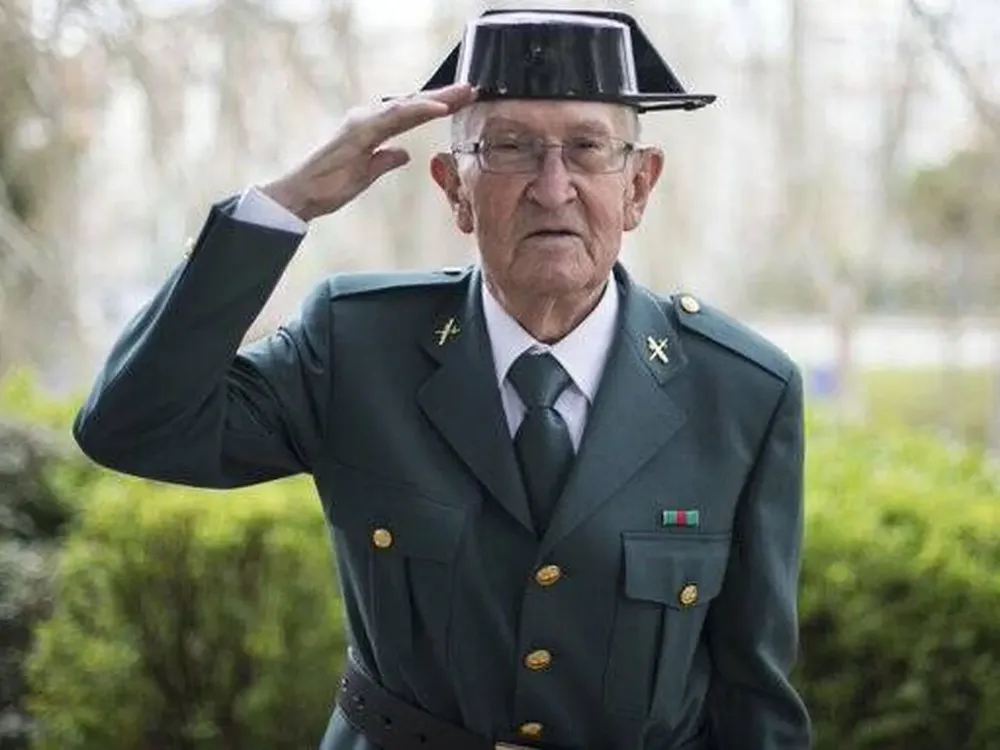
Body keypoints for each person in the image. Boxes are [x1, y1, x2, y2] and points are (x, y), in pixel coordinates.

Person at [74, 9, 811, 750]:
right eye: (510, 148)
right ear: (454, 188)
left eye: (587, 149)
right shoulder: (357, 346)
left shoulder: (741, 392)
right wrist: (285, 205)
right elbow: (134, 427)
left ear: (639, 186)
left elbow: (755, 700)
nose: (552, 188)